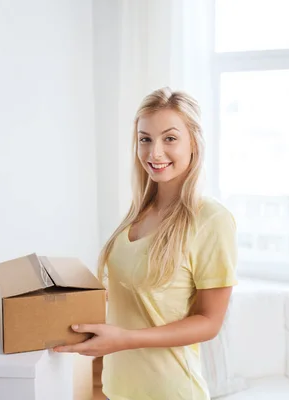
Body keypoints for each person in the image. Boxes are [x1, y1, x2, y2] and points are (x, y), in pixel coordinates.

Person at [54, 87, 238, 399]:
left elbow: (209, 322)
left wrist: (124, 339)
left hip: (170, 390)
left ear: (193, 142)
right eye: (145, 139)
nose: (154, 153)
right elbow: (134, 292)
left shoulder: (211, 219)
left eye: (169, 138)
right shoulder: (140, 211)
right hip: (120, 387)